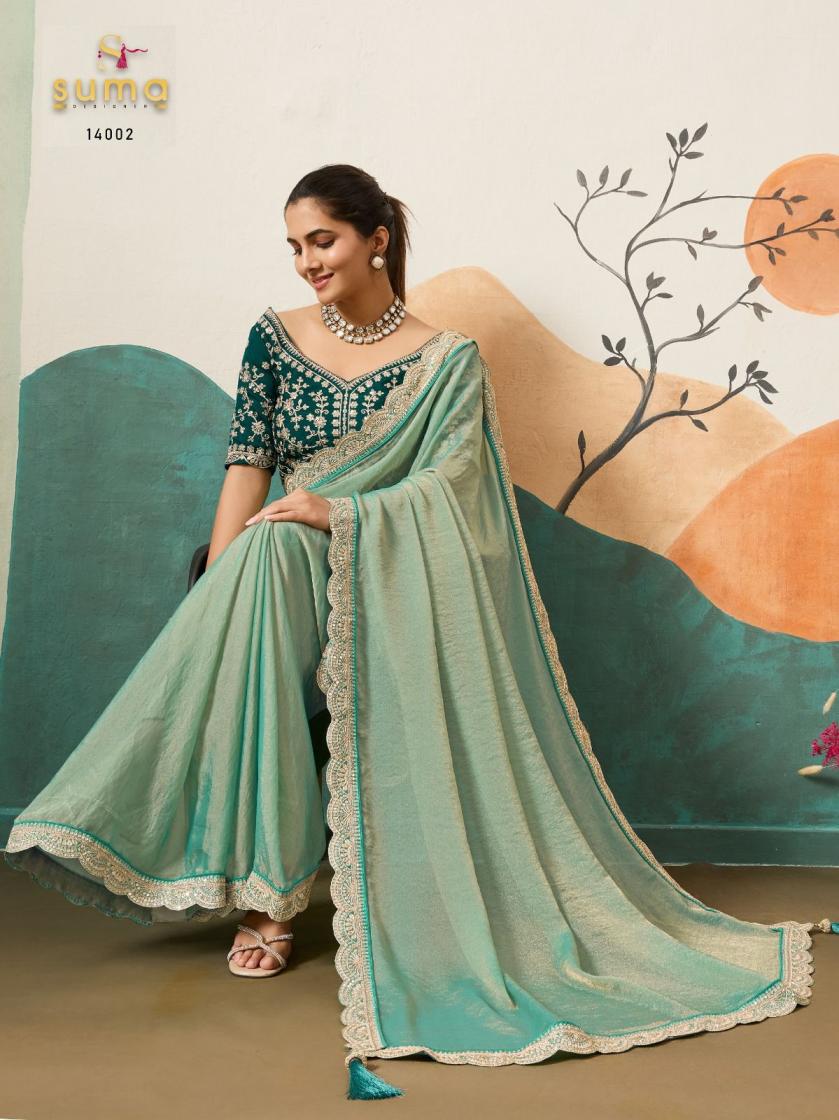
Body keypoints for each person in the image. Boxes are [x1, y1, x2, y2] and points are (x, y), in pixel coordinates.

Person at [4, 163, 826, 1101]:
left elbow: (455, 494)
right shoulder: (274, 338)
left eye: (322, 240)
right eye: (294, 246)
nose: (306, 262)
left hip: (389, 572)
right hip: (283, 566)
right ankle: (265, 887)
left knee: (277, 553)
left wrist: (344, 514)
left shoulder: (446, 362)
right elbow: (248, 463)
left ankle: (264, 897)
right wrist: (217, 582)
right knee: (259, 562)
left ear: (376, 239)